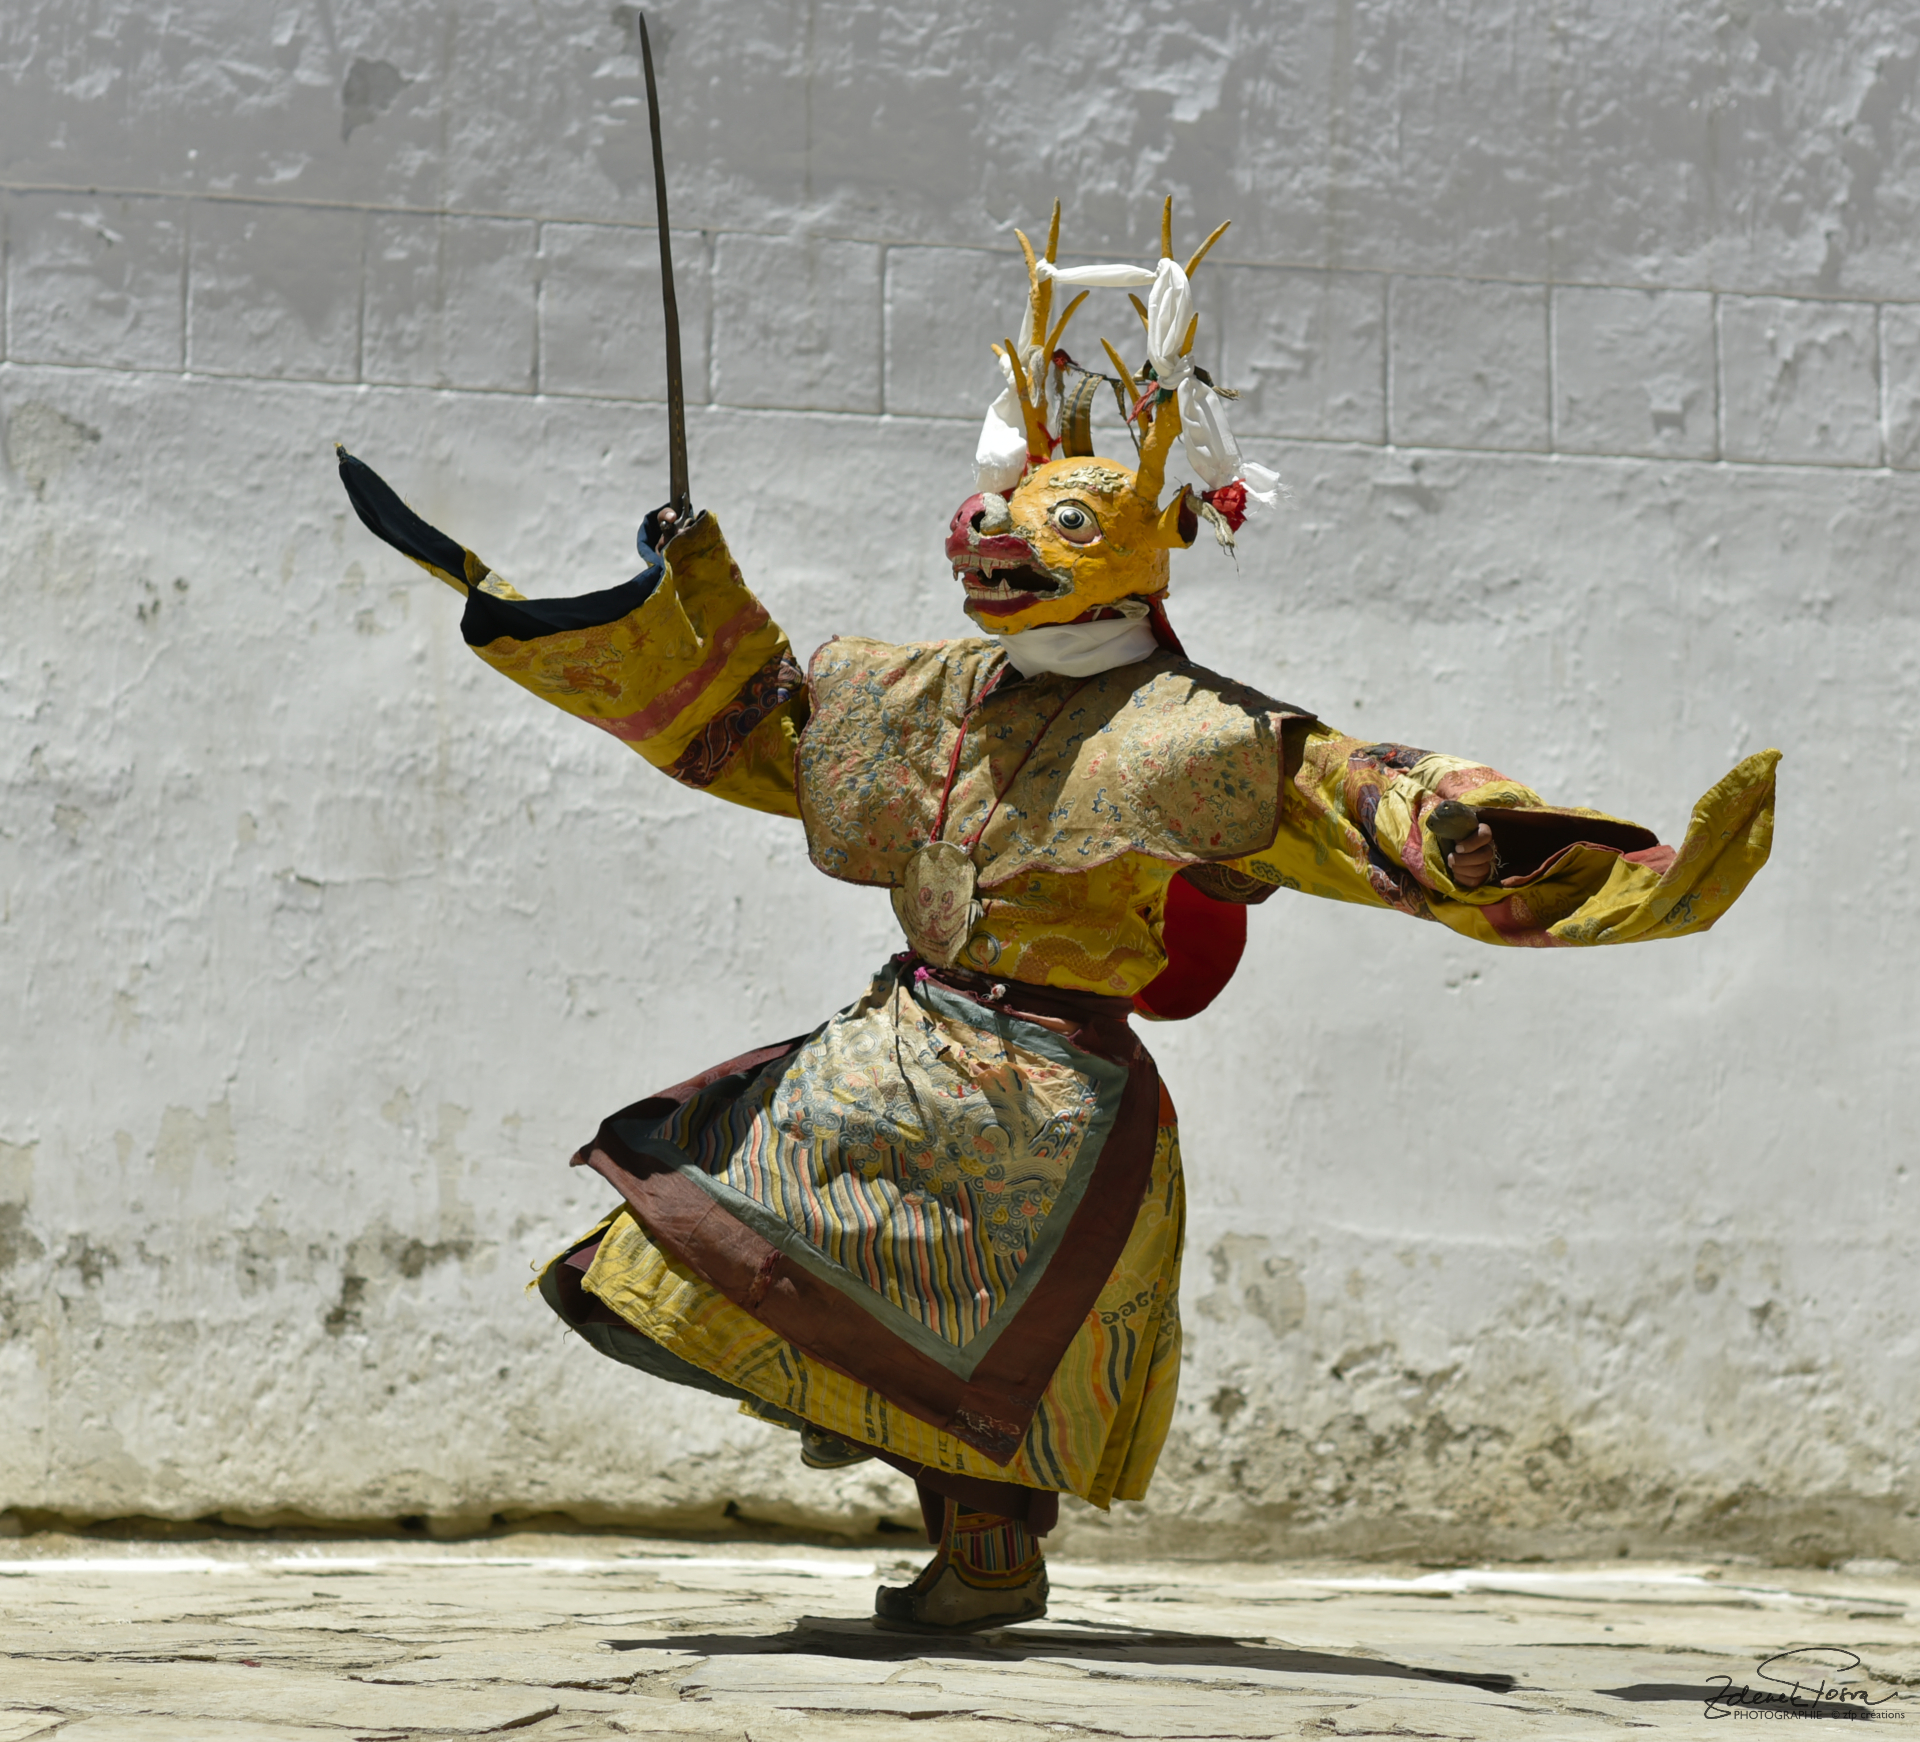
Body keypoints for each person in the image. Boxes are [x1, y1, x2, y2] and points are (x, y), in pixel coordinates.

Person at [336, 202, 1776, 1633]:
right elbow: (759, 719)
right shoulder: (936, 695)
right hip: (904, 1043)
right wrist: (683, 576)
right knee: (698, 1230)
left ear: (1138, 548)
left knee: (955, 1346)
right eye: (1007, 507)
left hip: (1049, 1099)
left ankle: (967, 1533)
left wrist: (1519, 847)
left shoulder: (1196, 736)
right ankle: (852, 1392)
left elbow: (1367, 804)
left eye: (1057, 520)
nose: (996, 533)